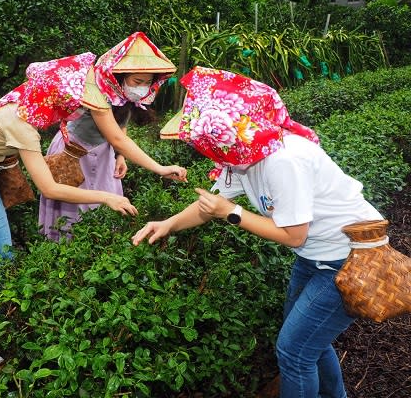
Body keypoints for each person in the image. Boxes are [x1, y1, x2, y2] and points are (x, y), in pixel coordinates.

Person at [132, 66, 384, 398]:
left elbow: (294, 235)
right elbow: (212, 203)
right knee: (308, 342)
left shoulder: (283, 161)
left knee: (294, 352)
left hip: (348, 260)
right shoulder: (243, 155)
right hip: (316, 258)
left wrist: (232, 214)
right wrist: (167, 224)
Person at [0, 32, 186, 367]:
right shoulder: (22, 123)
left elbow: (114, 134)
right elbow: (50, 189)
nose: (71, 106)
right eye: (68, 100)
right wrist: (106, 198)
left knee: (3, 261)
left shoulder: (26, 105)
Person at [39, 32, 181, 241]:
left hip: (103, 154)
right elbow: (117, 138)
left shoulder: (126, 93)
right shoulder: (97, 92)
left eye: (147, 82)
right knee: (73, 211)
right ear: (120, 77)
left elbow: (120, 126)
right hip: (74, 152)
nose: (142, 86)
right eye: (138, 80)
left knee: (104, 210)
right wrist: (159, 168)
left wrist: (119, 156)